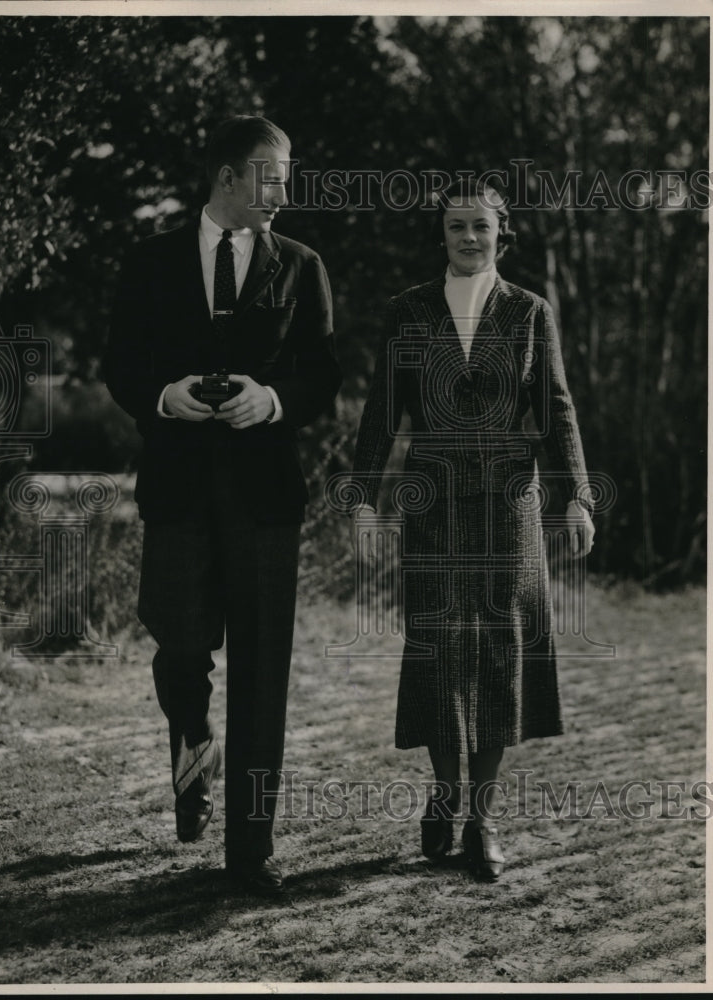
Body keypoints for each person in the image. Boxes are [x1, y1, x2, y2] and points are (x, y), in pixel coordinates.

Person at [104, 115, 341, 897]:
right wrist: (163, 395)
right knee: (178, 648)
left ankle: (250, 851)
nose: (283, 194)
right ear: (229, 177)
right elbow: (119, 364)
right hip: (176, 491)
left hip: (265, 500)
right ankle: (193, 746)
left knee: (263, 673)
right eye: (272, 178)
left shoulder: (302, 265)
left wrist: (270, 400)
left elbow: (323, 375)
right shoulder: (148, 262)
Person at [348, 178, 594, 880]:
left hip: (508, 506)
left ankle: (482, 818)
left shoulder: (529, 311)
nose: (468, 237)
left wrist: (577, 496)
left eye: (480, 226)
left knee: (498, 653)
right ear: (441, 234)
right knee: (437, 652)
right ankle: (445, 792)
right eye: (456, 225)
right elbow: (381, 409)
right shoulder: (408, 311)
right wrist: (362, 499)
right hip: (431, 504)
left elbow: (556, 407)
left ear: (500, 233)